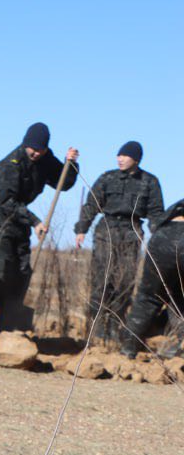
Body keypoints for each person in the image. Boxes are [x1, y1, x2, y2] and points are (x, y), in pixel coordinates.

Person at [0, 123, 79, 333]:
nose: (35, 153)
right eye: (31, 149)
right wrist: (35, 221)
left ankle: (7, 328)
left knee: (22, 272)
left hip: (20, 223)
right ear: (25, 144)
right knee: (0, 274)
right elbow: (6, 202)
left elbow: (63, 183)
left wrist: (70, 164)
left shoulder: (45, 159)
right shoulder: (11, 165)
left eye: (39, 150)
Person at [73, 141, 164, 344]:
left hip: (131, 233)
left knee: (125, 282)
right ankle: (96, 331)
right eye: (118, 155)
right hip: (106, 231)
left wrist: (160, 238)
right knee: (101, 282)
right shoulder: (107, 178)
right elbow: (91, 205)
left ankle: (115, 329)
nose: (120, 159)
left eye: (125, 156)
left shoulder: (149, 182)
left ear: (136, 159)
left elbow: (156, 214)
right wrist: (81, 229)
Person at [120, 198, 184, 359]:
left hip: (164, 235)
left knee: (148, 297)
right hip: (169, 234)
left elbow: (158, 222)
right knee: (177, 299)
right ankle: (177, 349)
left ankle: (128, 348)